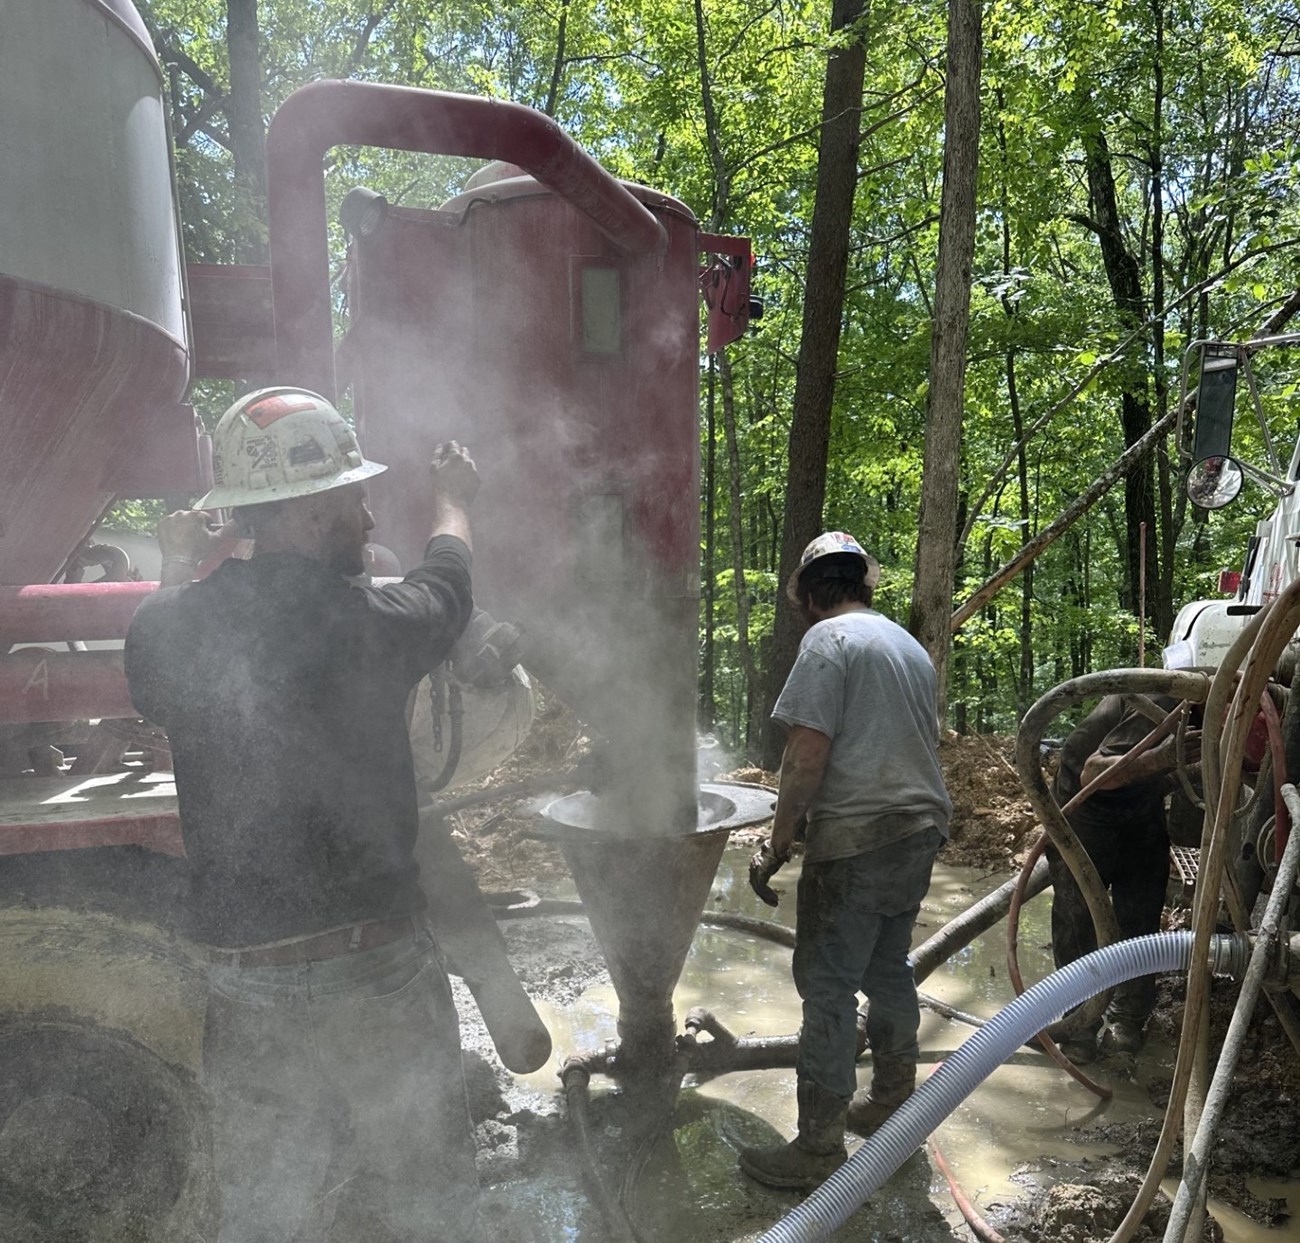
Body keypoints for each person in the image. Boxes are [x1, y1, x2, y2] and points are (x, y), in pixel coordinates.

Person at [124, 387, 483, 1242]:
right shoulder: (370, 622)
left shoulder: (169, 628)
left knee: (264, 1214)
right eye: (354, 498)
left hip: (247, 981)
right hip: (377, 973)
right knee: (431, 1201)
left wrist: (179, 561)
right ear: (313, 509)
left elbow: (158, 639)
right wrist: (456, 501)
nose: (366, 517)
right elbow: (449, 581)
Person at [739, 531, 952, 1191]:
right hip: (920, 828)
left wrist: (777, 841)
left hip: (857, 835)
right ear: (864, 585)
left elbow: (806, 753)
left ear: (807, 597)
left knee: (828, 987)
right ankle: (892, 1099)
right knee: (889, 967)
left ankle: (818, 1147)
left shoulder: (827, 642)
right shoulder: (909, 647)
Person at [1050, 694, 1195, 1060]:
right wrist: (1160, 759)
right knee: (1079, 917)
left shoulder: (1231, 709)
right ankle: (1080, 1026)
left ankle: (1127, 1022)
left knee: (1141, 917)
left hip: (1139, 804)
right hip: (1085, 804)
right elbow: (1092, 772)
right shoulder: (1165, 702)